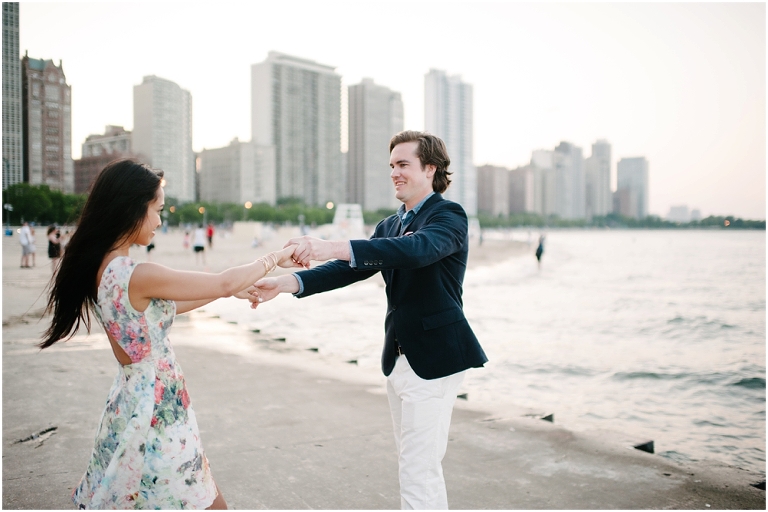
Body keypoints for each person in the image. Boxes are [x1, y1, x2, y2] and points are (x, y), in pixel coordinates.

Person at [38, 159, 298, 510]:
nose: (160, 221)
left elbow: (165, 309)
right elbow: (222, 281)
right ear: (132, 208)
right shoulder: (137, 273)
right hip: (157, 410)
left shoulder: (105, 268)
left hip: (133, 401)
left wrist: (234, 291)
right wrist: (275, 257)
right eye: (157, 210)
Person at [251, 130, 488, 510]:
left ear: (430, 169)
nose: (395, 172)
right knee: (415, 465)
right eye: (392, 165)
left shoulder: (448, 216)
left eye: (404, 164)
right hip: (398, 357)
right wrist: (285, 283)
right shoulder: (390, 224)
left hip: (436, 357)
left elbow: (416, 251)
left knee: (418, 468)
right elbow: (347, 270)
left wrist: (330, 244)